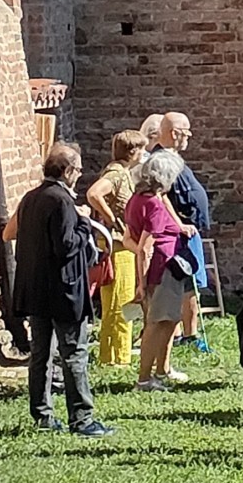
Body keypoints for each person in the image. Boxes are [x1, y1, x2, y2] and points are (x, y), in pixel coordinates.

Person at [7, 142, 112, 437]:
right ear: (66, 171)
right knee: (74, 354)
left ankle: (42, 415)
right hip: (63, 291)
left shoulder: (30, 198)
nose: (79, 175)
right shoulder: (61, 201)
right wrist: (84, 223)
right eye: (77, 170)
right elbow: (66, 246)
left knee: (40, 353)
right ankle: (82, 419)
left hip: (36, 291)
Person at [123, 148, 197, 390]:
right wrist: (141, 284)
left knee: (169, 319)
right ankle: (144, 379)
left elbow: (128, 238)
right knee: (157, 322)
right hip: (162, 269)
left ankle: (161, 369)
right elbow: (145, 247)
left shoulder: (138, 199)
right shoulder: (153, 204)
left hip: (164, 267)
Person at [85, 130, 147, 371]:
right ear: (131, 151)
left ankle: (112, 353)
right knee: (119, 301)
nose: (143, 153)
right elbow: (93, 194)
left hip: (120, 244)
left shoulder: (123, 173)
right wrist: (110, 219)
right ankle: (116, 358)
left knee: (117, 301)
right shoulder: (116, 173)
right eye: (140, 149)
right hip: (118, 246)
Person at [157, 113, 214, 354]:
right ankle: (188, 335)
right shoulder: (163, 159)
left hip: (190, 232)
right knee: (188, 284)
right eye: (186, 131)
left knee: (191, 283)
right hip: (182, 235)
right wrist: (179, 223)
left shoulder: (173, 157)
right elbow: (161, 195)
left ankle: (185, 333)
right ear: (174, 133)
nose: (189, 136)